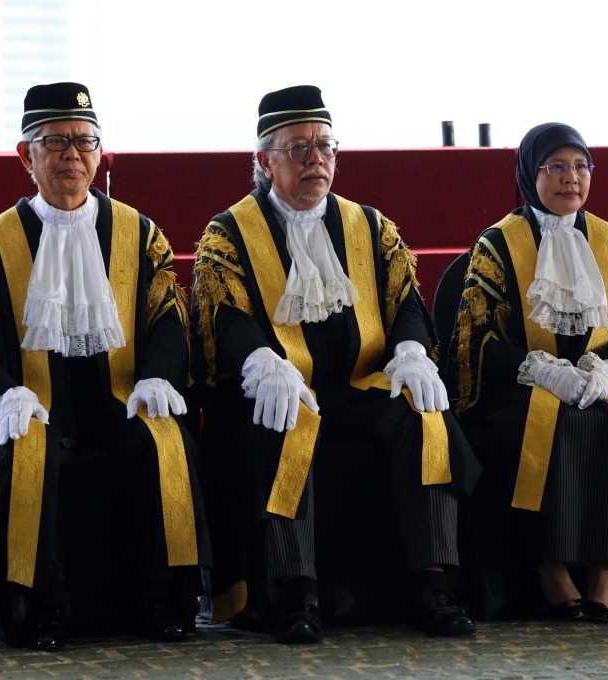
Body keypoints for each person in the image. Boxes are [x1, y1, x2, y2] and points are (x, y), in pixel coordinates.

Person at [192, 85, 480, 644]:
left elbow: (405, 307)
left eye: (325, 147)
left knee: (422, 418)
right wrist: (260, 361)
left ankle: (431, 586)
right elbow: (224, 317)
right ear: (263, 161)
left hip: (359, 386)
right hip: (278, 389)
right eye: (298, 149)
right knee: (284, 420)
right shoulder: (228, 234)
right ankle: (294, 596)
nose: (315, 160)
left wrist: (412, 351)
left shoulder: (371, 227)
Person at [0, 82, 210, 649]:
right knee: (25, 447)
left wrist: (158, 372)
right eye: (55, 141)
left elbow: (167, 317)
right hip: (34, 402)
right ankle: (40, 609)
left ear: (100, 152)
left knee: (164, 440)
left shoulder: (139, 234)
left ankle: (164, 600)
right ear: (25, 155)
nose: (72, 156)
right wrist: (3, 394)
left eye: (85, 141)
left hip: (119, 396)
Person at [447, 122, 608, 622]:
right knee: (557, 423)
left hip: (600, 380)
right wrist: (540, 370)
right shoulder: (499, 244)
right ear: (531, 173)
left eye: (580, 166)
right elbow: (476, 336)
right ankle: (550, 570)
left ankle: (606, 576)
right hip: (521, 386)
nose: (571, 178)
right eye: (557, 167)